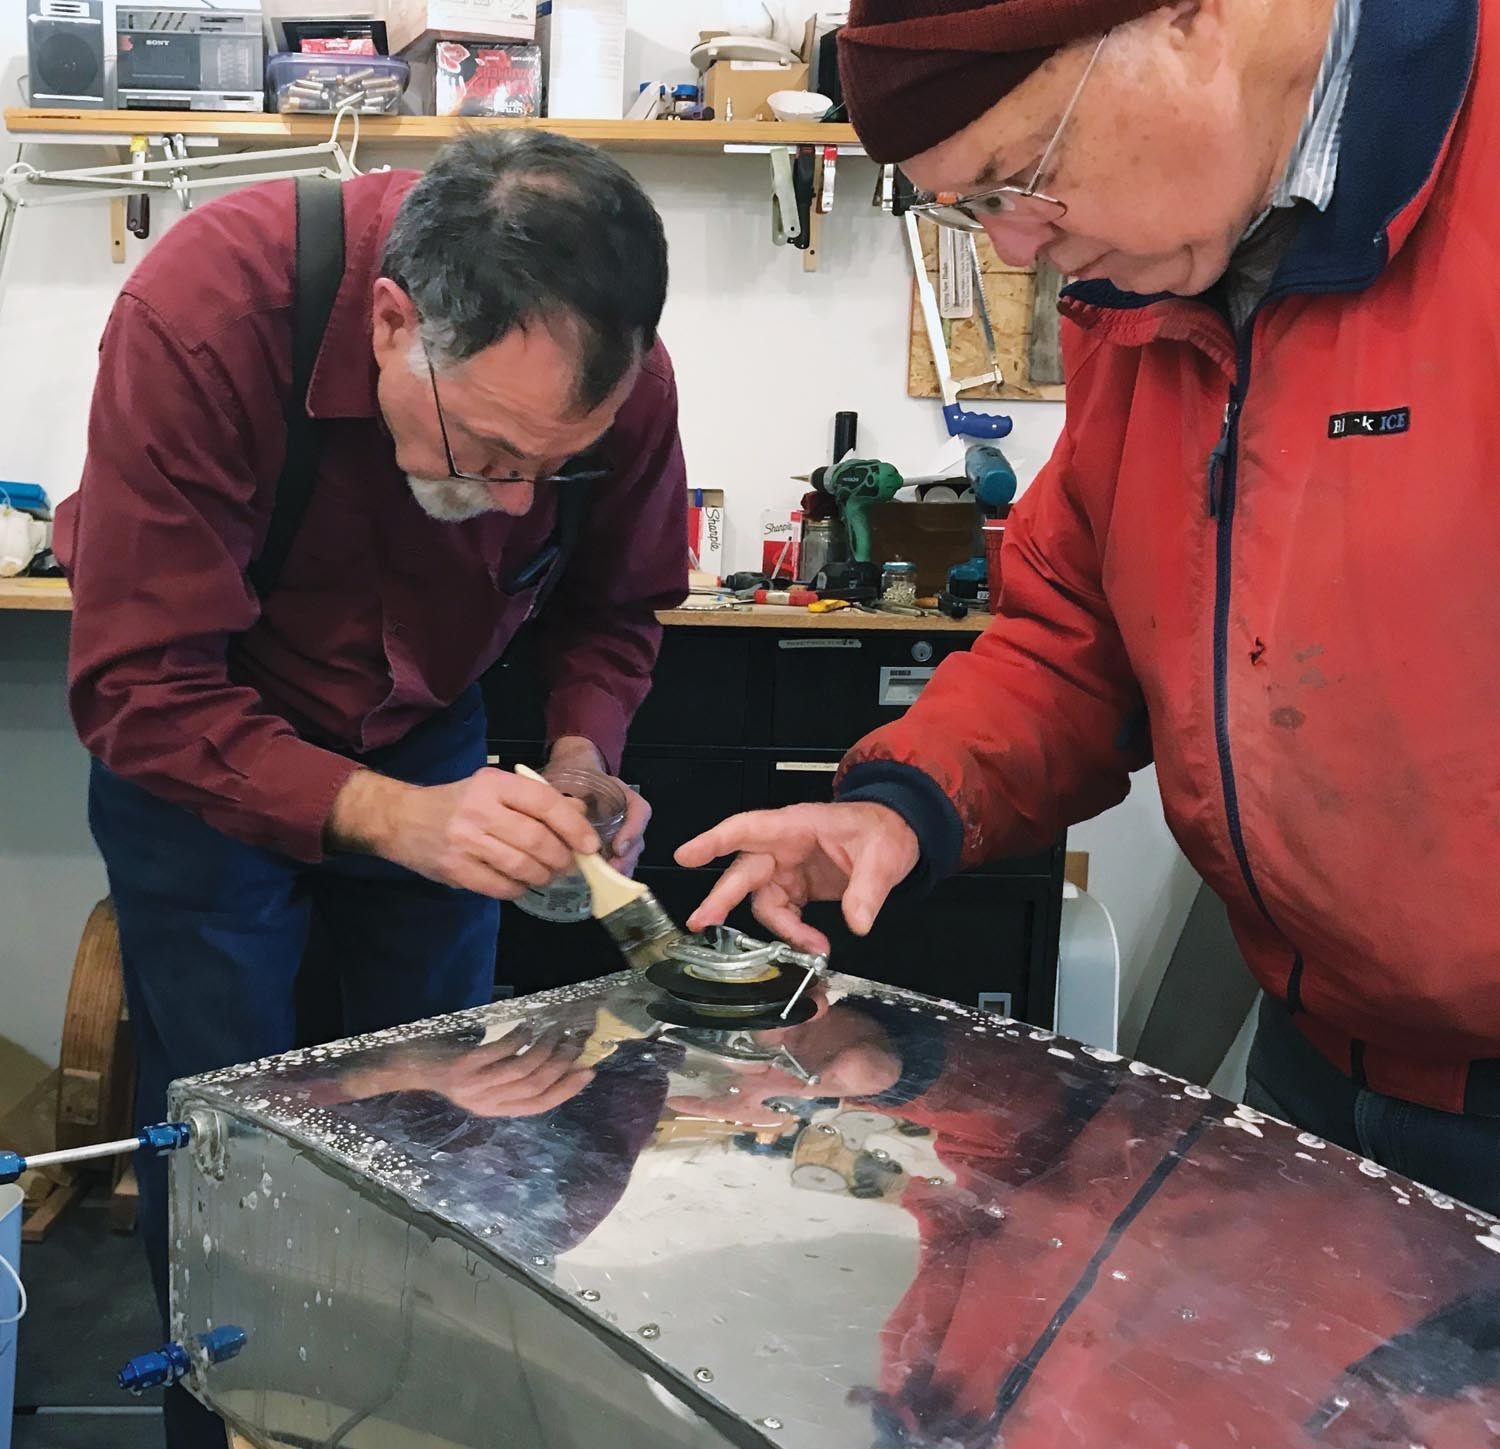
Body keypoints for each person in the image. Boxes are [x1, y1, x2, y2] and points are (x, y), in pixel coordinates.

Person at [679, 0, 1500, 1216]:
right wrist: (903, 805)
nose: (1015, 252)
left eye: (1022, 179)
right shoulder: (1152, 285)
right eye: (972, 208)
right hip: (1322, 1063)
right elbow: (1073, 641)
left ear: (1190, 21)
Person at [55, 130, 687, 1445]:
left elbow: (614, 606)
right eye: (494, 451)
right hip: (205, 760)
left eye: (550, 467)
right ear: (394, 324)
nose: (518, 498)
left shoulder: (603, 376)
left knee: (434, 1135)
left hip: (430, 742)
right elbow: (139, 685)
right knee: (236, 1145)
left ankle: (399, 1418)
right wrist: (400, 816)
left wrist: (582, 751)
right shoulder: (208, 315)